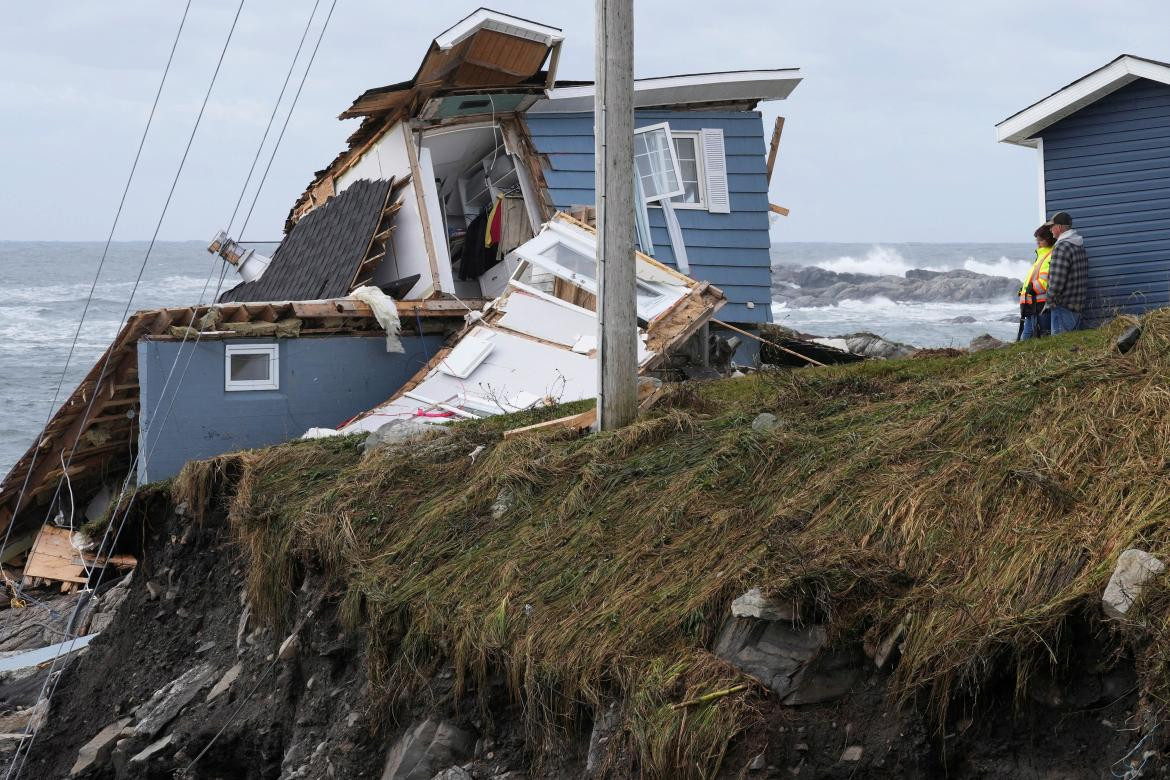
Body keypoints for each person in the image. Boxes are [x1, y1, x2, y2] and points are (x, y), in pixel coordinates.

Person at [1043, 211, 1087, 334]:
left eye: (1052, 226)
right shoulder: (1079, 245)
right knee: (1071, 347)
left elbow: (1056, 281)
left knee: (1059, 348)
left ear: (1060, 227)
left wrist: (1048, 302)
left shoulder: (1061, 247)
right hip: (1077, 307)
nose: (1050, 229)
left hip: (1063, 308)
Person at [1018, 224, 1053, 340]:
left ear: (1049, 239)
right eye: (1037, 240)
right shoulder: (1041, 255)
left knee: (1035, 339)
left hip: (1040, 307)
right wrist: (1023, 290)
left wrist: (1032, 288)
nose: (1038, 243)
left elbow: (1047, 280)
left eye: (1040, 240)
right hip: (1032, 307)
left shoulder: (1050, 255)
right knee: (1028, 340)